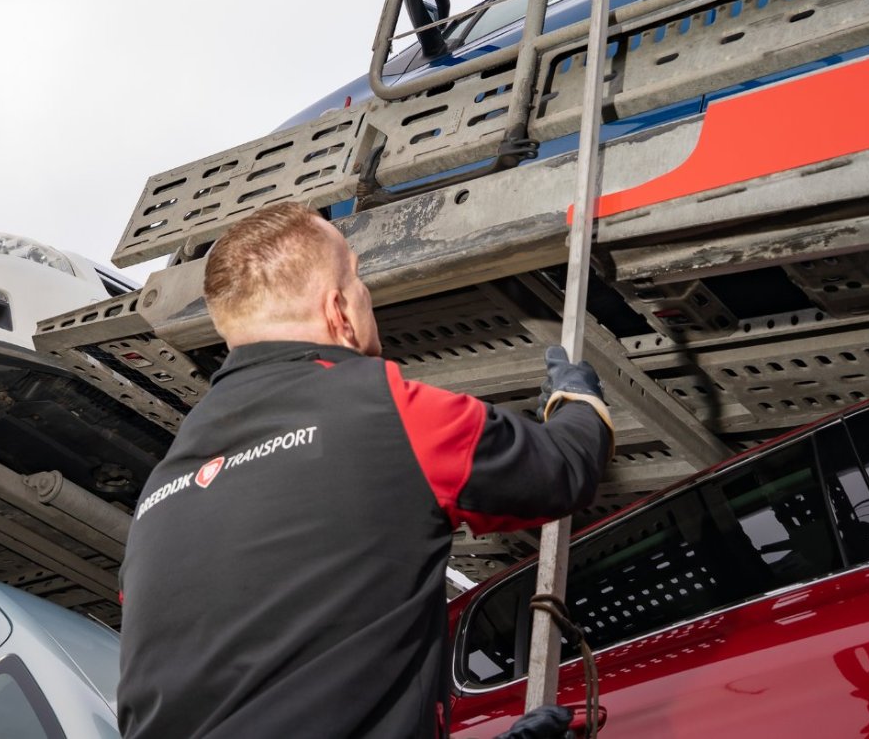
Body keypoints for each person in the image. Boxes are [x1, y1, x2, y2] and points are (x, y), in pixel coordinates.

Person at [116, 201, 614, 739]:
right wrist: (577, 401)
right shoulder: (386, 411)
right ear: (339, 312)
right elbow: (563, 471)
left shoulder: (160, 490)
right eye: (357, 279)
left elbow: (267, 685)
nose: (363, 295)